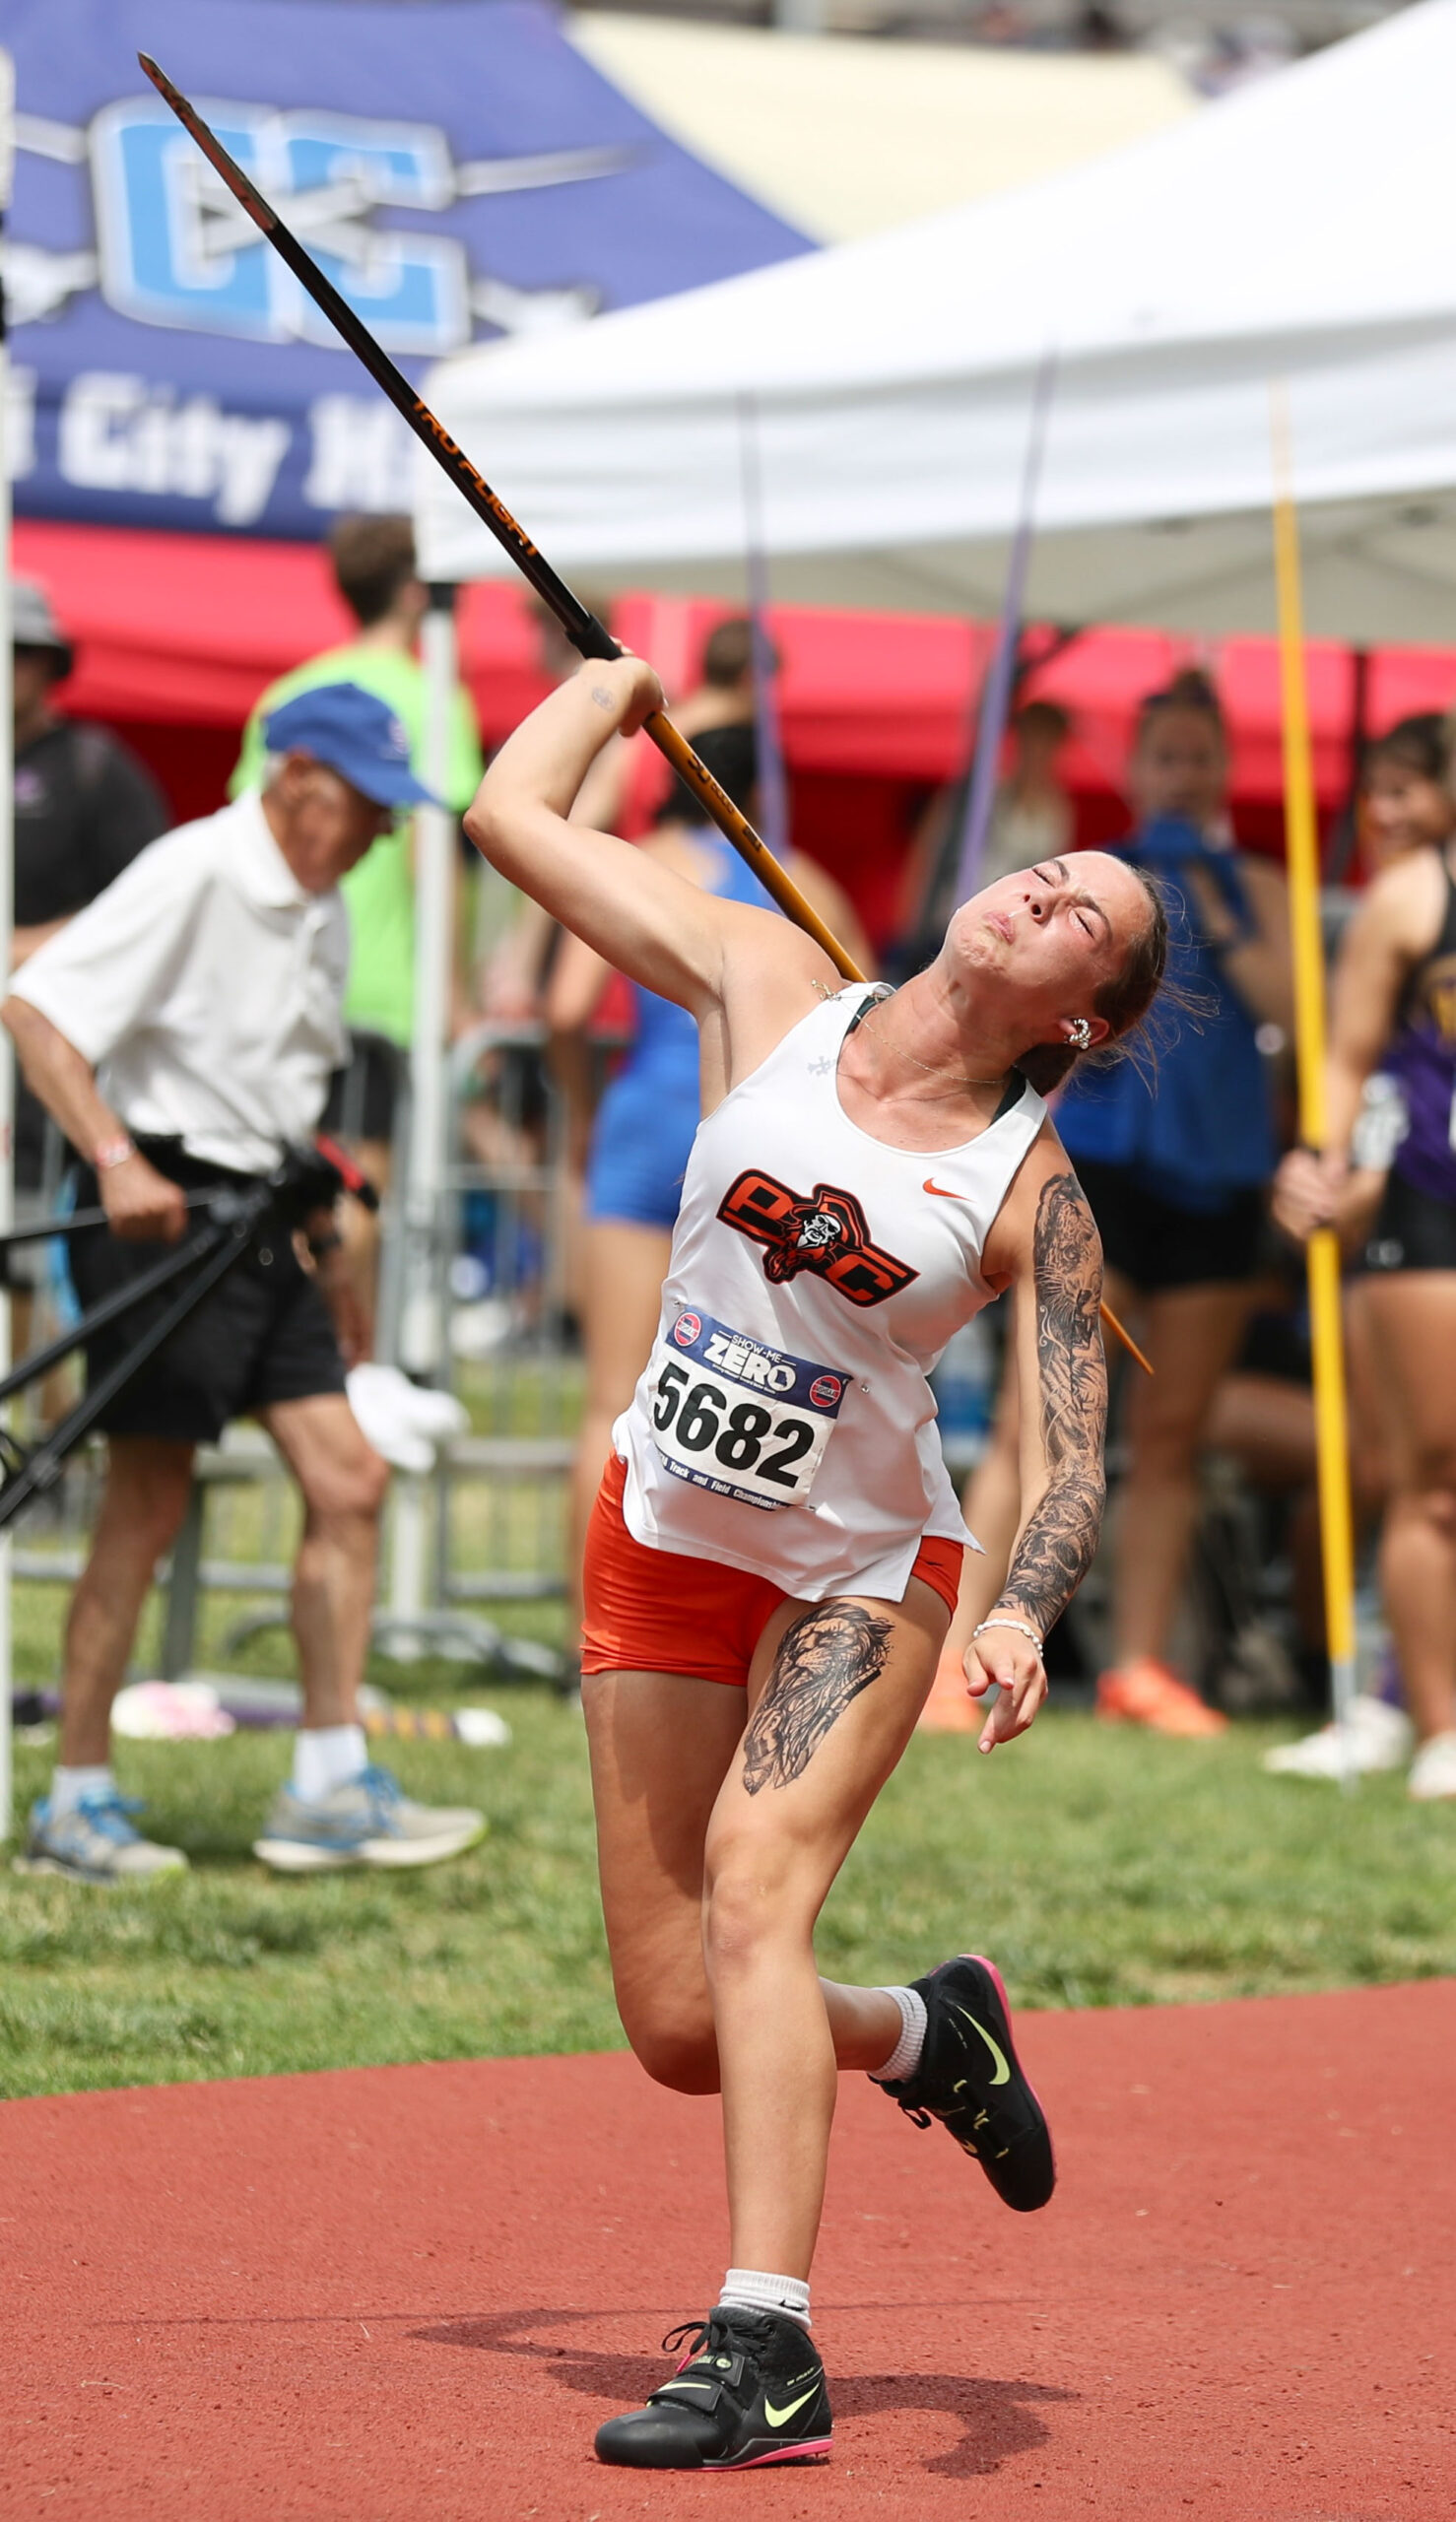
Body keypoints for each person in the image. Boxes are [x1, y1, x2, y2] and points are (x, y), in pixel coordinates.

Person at [465, 652, 1168, 2471]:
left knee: (754, 1901)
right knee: (678, 2024)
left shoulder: (1029, 1195)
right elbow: (505, 818)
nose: (1043, 891)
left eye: (1083, 917)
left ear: (1085, 1016)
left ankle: (765, 2349)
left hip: (856, 1575)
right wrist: (608, 689)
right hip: (660, 1534)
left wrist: (1022, 1612)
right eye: (1048, 870)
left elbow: (1074, 1455)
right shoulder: (764, 980)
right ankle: (930, 2035)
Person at [3, 686, 485, 1885]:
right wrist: (115, 1157)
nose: (382, 832)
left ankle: (327, 1785)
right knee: (146, 1505)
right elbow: (37, 1010)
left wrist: (330, 1236)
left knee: (349, 1478)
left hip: (264, 1221)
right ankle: (74, 1801)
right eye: (370, 805)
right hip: (163, 1220)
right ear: (297, 777)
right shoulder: (196, 870)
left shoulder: (320, 904)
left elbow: (282, 1092)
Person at [545, 723, 873, 1662]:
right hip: (759, 1147)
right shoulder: (801, 880)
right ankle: (718, 1631)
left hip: (645, 1124)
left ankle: (593, 1638)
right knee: (753, 1396)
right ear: (760, 794)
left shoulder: (641, 859)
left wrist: (580, 1115)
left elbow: (567, 1009)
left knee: (611, 1399)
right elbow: (864, 1014)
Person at [1048, 667, 1290, 1735]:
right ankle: (965, 1650)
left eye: (1200, 756)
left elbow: (1295, 1012)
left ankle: (1136, 1667)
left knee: (1172, 1432)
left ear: (1225, 768)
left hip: (1216, 1180)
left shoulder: (1260, 885)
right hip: (1104, 1167)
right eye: (1166, 757)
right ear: (1135, 769)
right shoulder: (1100, 877)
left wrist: (1223, 910)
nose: (1184, 774)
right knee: (1048, 1412)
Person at [231, 515, 485, 1353]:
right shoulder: (434, 693)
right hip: (380, 988)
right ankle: (328, 1359)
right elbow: (429, 853)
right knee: (356, 1192)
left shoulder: (287, 690)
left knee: (298, 1184)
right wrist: (452, 993)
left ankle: (312, 1357)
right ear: (415, 589)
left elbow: (250, 834)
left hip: (283, 977)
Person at [1273, 711, 1456, 1799]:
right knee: (1432, 1479)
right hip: (1429, 1202)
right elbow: (1344, 1056)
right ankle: (1435, 1726)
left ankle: (1395, 1697)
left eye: (1403, 787)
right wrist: (1317, 1155)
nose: (1382, 811)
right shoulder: (1411, 897)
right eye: (1373, 789)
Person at [9, 578, 168, 1353]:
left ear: (47, 664)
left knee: (29, 1264)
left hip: (48, 1060)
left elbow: (148, 906)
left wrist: (24, 947)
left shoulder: (93, 768)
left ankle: (56, 1417)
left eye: (18, 653)